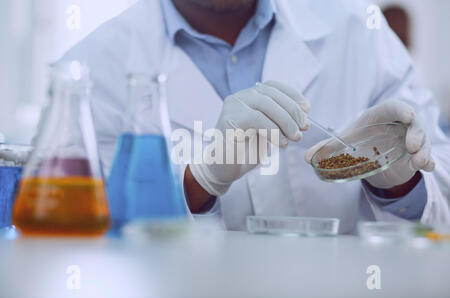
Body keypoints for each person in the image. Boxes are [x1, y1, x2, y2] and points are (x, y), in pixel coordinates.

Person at [59, 0, 450, 233]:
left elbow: (442, 189)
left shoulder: (357, 26)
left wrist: (399, 184)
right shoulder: (92, 68)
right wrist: (199, 181)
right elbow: (80, 231)